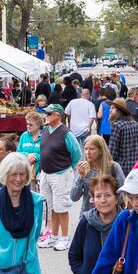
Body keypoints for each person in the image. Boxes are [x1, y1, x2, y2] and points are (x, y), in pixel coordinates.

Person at [69, 174, 121, 274]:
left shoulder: (126, 223)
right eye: (98, 196)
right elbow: (74, 256)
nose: (103, 200)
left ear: (117, 198)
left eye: (108, 195)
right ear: (92, 200)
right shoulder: (86, 222)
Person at [37, 105, 83, 252]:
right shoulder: (45, 130)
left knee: (61, 207)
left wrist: (71, 168)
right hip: (46, 173)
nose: (46, 115)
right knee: (51, 207)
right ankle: (54, 236)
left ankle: (64, 237)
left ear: (58, 115)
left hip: (61, 173)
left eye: (49, 113)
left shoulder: (66, 133)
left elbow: (76, 152)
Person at [69, 135, 125, 213]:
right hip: (88, 216)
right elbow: (74, 197)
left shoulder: (113, 167)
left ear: (100, 151)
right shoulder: (84, 169)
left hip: (111, 216)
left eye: (91, 149)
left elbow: (123, 193)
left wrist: (105, 200)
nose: (88, 152)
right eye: (86, 149)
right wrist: (81, 177)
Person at [108, 99, 138, 179]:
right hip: (135, 167)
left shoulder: (117, 126)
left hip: (121, 168)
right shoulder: (135, 124)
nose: (110, 110)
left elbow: (112, 152)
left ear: (118, 111)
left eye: (112, 108)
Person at [18, 110, 44, 175]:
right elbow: (18, 152)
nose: (28, 126)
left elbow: (49, 154)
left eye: (31, 124)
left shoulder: (46, 135)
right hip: (25, 170)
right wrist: (27, 155)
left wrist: (36, 157)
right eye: (27, 124)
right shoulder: (24, 135)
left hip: (42, 172)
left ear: (38, 125)